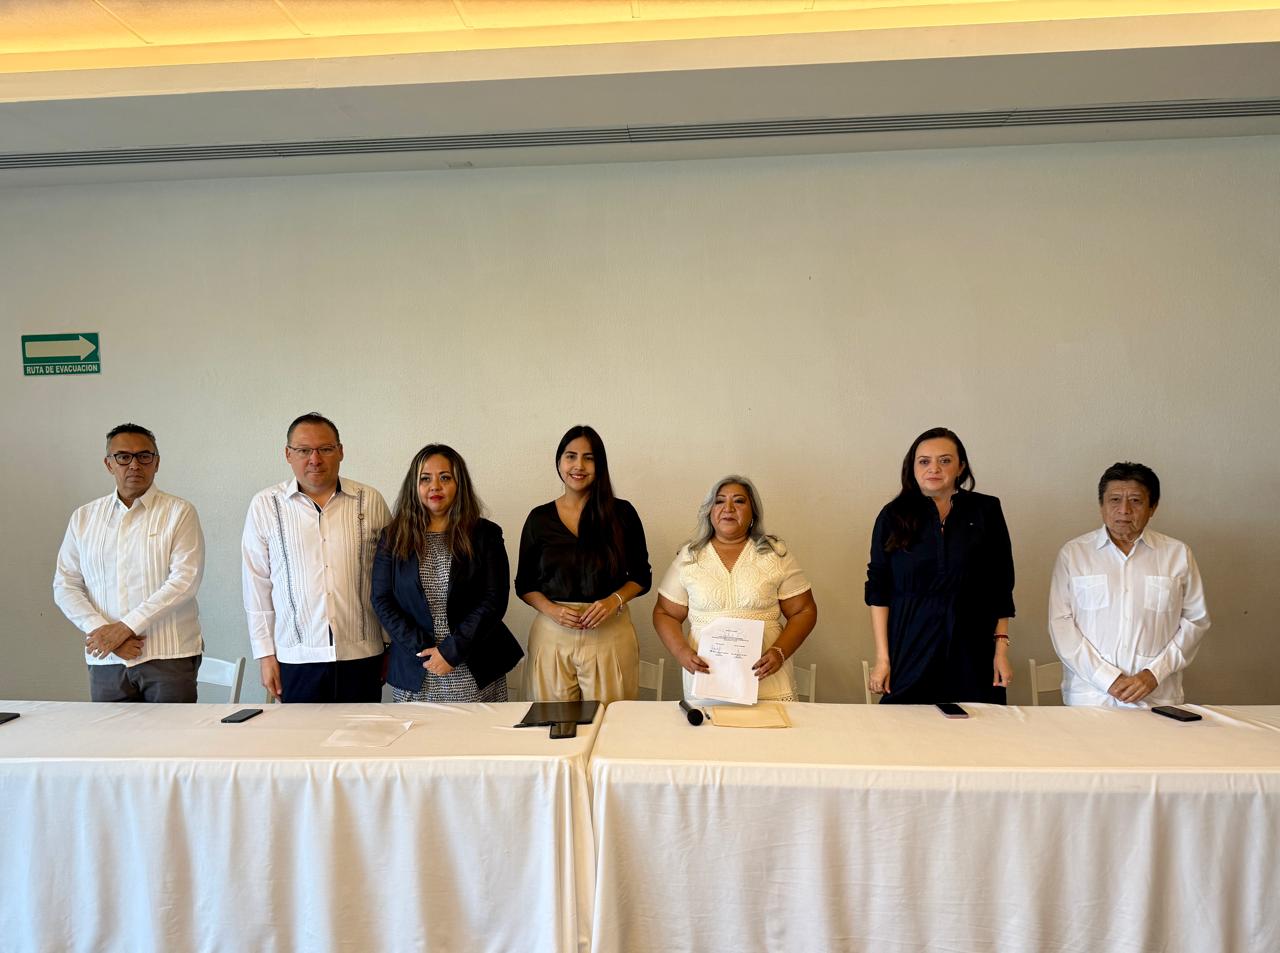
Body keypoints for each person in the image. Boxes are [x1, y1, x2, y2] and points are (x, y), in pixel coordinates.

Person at [242, 412, 390, 703]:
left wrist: (390, 645)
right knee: (300, 733)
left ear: (341, 451)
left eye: (325, 449)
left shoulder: (369, 500)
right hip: (296, 658)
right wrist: (265, 655)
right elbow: (256, 586)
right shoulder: (265, 505)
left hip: (363, 655)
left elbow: (390, 580)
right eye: (303, 450)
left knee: (362, 732)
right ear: (288, 454)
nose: (315, 459)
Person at [53, 423, 205, 702]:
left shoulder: (179, 512)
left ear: (156, 463)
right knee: (110, 733)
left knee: (173, 732)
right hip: (106, 659)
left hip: (168, 655)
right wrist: (102, 633)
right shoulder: (84, 518)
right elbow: (65, 585)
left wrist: (124, 629)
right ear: (109, 464)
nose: (134, 464)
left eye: (144, 456)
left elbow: (184, 581)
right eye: (123, 457)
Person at [865, 428, 1014, 704]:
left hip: (973, 648)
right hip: (909, 645)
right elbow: (878, 591)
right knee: (903, 725)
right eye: (924, 461)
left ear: (961, 466)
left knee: (980, 725)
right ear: (912, 467)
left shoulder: (986, 510)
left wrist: (1000, 652)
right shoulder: (893, 516)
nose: (934, 468)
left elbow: (1000, 586)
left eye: (945, 460)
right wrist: (882, 659)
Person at [1048, 462, 1210, 707]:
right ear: (1101, 505)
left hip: (1157, 695)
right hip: (1091, 696)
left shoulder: (1177, 554)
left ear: (1153, 507)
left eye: (1135, 501)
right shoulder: (1074, 554)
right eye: (1114, 500)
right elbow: (1060, 622)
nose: (1124, 510)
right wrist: (1106, 678)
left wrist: (1153, 674)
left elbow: (1195, 620)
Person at [371, 444, 522, 702]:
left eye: (445, 478)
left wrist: (451, 651)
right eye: (425, 479)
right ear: (414, 486)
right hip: (417, 666)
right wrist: (426, 651)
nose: (435, 487)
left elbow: (494, 599)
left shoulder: (485, 534)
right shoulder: (393, 537)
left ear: (459, 484)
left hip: (475, 665)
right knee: (418, 729)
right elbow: (382, 600)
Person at [515, 425, 651, 704]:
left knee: (610, 721)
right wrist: (552, 610)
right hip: (552, 636)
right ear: (559, 462)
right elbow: (525, 584)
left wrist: (613, 601)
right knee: (551, 722)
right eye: (571, 456)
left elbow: (641, 576)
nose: (579, 465)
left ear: (600, 465)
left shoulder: (622, 514)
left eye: (589, 458)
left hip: (610, 632)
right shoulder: (539, 519)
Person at [653, 475, 817, 703]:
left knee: (772, 727)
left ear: (753, 512)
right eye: (719, 501)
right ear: (709, 511)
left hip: (767, 678)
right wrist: (682, 652)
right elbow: (665, 613)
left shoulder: (775, 553)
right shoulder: (690, 557)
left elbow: (804, 610)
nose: (728, 508)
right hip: (707, 678)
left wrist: (780, 652)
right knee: (710, 727)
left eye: (739, 501)